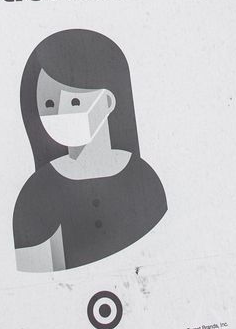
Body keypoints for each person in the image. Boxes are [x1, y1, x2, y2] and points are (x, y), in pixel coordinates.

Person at [12, 29, 167, 271]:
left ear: (107, 102)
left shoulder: (144, 178)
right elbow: (37, 274)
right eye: (49, 104)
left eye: (75, 101)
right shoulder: (37, 193)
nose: (61, 113)